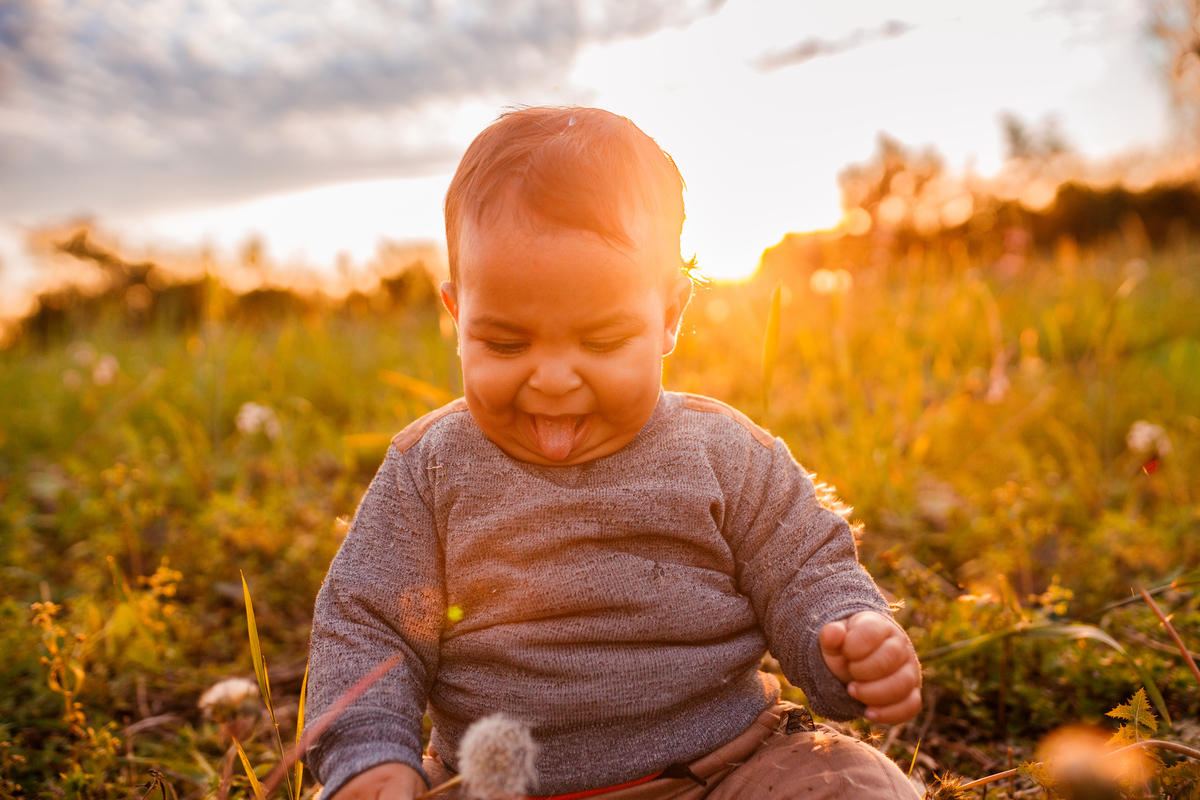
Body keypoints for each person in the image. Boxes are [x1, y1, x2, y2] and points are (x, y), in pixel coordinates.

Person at [304, 106, 923, 800]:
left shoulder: (723, 454)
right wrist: (368, 758)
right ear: (457, 316)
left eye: (600, 342)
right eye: (505, 343)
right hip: (496, 786)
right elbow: (368, 626)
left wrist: (846, 641)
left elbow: (805, 569)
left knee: (850, 783)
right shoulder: (432, 469)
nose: (554, 378)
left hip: (726, 768)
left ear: (669, 316)